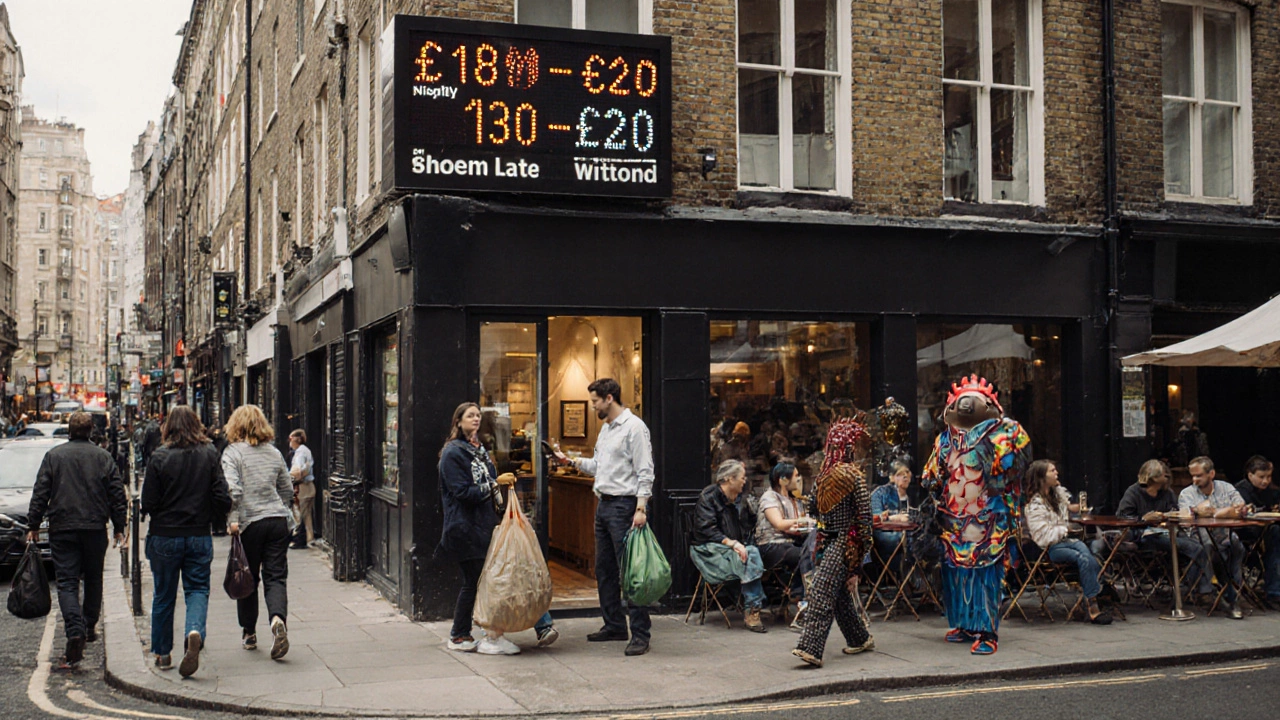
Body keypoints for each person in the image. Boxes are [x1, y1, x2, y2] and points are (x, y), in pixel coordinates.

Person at [922, 375, 1031, 656]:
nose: (968, 405)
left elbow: (1016, 465)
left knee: (986, 575)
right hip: (953, 521)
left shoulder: (1004, 434)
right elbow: (931, 476)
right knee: (956, 574)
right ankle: (964, 624)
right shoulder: (944, 441)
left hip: (987, 520)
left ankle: (986, 631)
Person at [438, 402, 556, 655]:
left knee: (492, 578)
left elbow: (490, 485)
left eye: (478, 415)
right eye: (470, 415)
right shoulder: (452, 453)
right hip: (464, 528)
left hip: (485, 525)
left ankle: (485, 633)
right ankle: (467, 635)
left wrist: (502, 495)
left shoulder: (479, 450)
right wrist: (494, 484)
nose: (476, 419)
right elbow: (461, 492)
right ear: (458, 421)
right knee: (477, 581)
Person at [554, 378, 655, 657]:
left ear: (609, 398)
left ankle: (641, 634)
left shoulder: (634, 428)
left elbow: (645, 471)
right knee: (604, 570)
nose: (593, 406)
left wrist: (641, 508)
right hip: (604, 504)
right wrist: (570, 461)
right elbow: (599, 466)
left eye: (595, 401)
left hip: (625, 506)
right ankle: (614, 625)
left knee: (631, 572)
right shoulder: (607, 428)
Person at [25, 412, 127, 666]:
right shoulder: (103, 457)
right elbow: (117, 494)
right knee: (93, 577)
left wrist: (33, 524)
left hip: (63, 528)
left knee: (67, 582)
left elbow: (41, 492)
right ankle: (89, 626)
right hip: (94, 527)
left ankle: (74, 631)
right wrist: (119, 526)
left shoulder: (54, 456)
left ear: (69, 431)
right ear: (91, 431)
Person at [141, 406, 231, 676]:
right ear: (196, 424)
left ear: (168, 426)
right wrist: (212, 518)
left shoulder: (159, 457)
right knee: (197, 589)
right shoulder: (209, 453)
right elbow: (222, 496)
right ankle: (194, 630)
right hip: (198, 534)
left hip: (165, 535)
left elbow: (148, 502)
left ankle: (163, 654)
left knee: (164, 595)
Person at [792, 417, 875, 668]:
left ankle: (811, 648)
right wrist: (859, 558)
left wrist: (856, 562)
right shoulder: (853, 477)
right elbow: (864, 520)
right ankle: (859, 638)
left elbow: (814, 509)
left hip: (839, 541)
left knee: (821, 593)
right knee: (836, 595)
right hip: (838, 540)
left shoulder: (825, 477)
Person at [222, 404, 295, 659]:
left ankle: (249, 633)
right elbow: (287, 488)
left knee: (247, 576)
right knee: (276, 576)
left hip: (249, 523)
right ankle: (277, 619)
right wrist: (283, 510)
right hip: (277, 521)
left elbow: (233, 489)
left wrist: (233, 520)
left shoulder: (232, 453)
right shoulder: (274, 452)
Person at [1022, 460, 1112, 625]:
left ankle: (1090, 599)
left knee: (1085, 552)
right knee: (1083, 556)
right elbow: (1042, 536)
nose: (1057, 473)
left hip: (1067, 541)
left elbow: (1067, 512)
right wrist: (1066, 529)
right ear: (1042, 477)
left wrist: (1076, 512)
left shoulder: (1057, 496)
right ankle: (1094, 602)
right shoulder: (1035, 506)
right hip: (1049, 548)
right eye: (1052, 471)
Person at [1114, 459, 1212, 599]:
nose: (1166, 476)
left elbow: (1174, 511)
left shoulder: (1167, 493)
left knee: (1199, 546)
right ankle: (1198, 591)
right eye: (1162, 474)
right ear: (1152, 477)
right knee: (1193, 548)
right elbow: (1122, 517)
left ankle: (1193, 588)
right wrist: (1143, 519)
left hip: (1167, 531)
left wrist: (1172, 516)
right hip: (1144, 535)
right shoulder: (1134, 492)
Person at [691, 460, 768, 633]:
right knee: (751, 554)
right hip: (708, 551)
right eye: (742, 477)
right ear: (729, 479)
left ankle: (752, 604)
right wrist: (732, 543)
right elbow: (706, 530)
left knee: (754, 552)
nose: (744, 481)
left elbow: (747, 528)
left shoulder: (740, 499)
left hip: (732, 550)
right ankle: (753, 609)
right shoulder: (709, 497)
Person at [1178, 456, 1247, 619]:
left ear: (1211, 474)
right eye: (1192, 476)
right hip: (1198, 536)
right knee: (1207, 544)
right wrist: (1200, 511)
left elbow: (1241, 508)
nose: (1194, 480)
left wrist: (1214, 513)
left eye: (1199, 475)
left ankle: (1234, 588)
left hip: (1224, 533)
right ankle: (1209, 591)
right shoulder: (1187, 493)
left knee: (1236, 544)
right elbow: (1185, 517)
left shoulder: (1226, 488)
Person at [754, 462, 808, 599]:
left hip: (790, 542)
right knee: (804, 555)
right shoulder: (769, 497)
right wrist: (802, 521)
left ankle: (803, 593)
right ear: (783, 480)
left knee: (815, 551)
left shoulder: (793, 499)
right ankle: (798, 594)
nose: (799, 479)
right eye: (796, 476)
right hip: (771, 545)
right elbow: (778, 523)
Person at [1233, 455, 1280, 611]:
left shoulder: (1268, 491)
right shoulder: (1240, 491)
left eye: (1268, 477)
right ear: (1250, 475)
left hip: (1265, 532)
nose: (1265, 481)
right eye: (1261, 477)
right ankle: (1274, 591)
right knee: (1276, 535)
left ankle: (1273, 588)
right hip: (1245, 534)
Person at [870, 458, 914, 575]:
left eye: (907, 472)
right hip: (884, 535)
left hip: (908, 534)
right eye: (900, 474)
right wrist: (893, 518)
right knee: (904, 540)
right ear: (891, 477)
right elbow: (873, 517)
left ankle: (910, 577)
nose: (905, 476)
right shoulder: (880, 493)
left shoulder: (913, 496)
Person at [288, 429, 316, 548]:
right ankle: (309, 538)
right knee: (307, 514)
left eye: (291, 439)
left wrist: (291, 480)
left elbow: (298, 471)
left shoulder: (300, 452)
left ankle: (300, 540)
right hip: (309, 486)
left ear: (297, 439)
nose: (289, 442)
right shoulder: (305, 451)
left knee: (299, 515)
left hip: (303, 487)